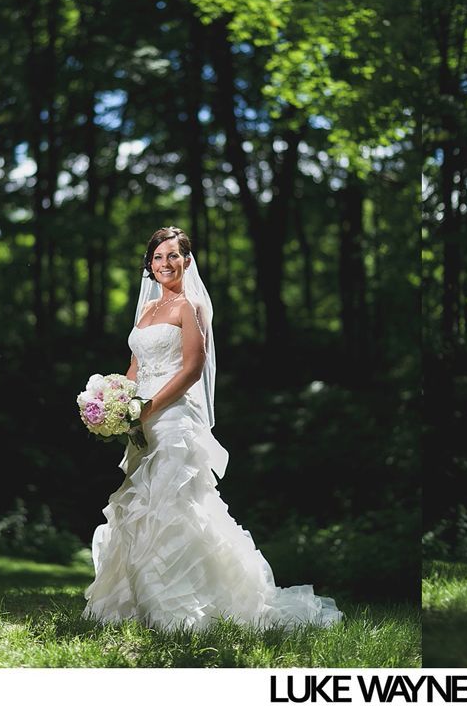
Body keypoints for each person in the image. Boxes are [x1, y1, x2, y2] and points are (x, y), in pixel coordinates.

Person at [83, 226, 342, 631]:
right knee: (140, 509)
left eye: (173, 256)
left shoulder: (191, 306)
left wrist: (149, 406)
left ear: (186, 260)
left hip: (172, 419)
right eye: (157, 257)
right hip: (142, 422)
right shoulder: (147, 311)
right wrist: (115, 401)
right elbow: (135, 365)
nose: (165, 264)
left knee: (172, 506)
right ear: (148, 264)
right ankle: (138, 604)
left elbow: (192, 368)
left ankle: (181, 609)